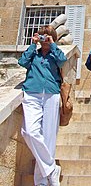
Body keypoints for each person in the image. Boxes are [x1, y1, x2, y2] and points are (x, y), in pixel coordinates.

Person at [18, 25, 67, 186]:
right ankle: (51, 169)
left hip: (51, 94)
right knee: (29, 132)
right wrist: (33, 44)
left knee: (48, 137)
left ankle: (41, 181)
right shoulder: (34, 53)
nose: (45, 38)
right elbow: (22, 62)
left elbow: (62, 61)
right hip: (32, 92)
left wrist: (52, 44)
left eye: (48, 36)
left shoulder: (55, 54)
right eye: (43, 36)